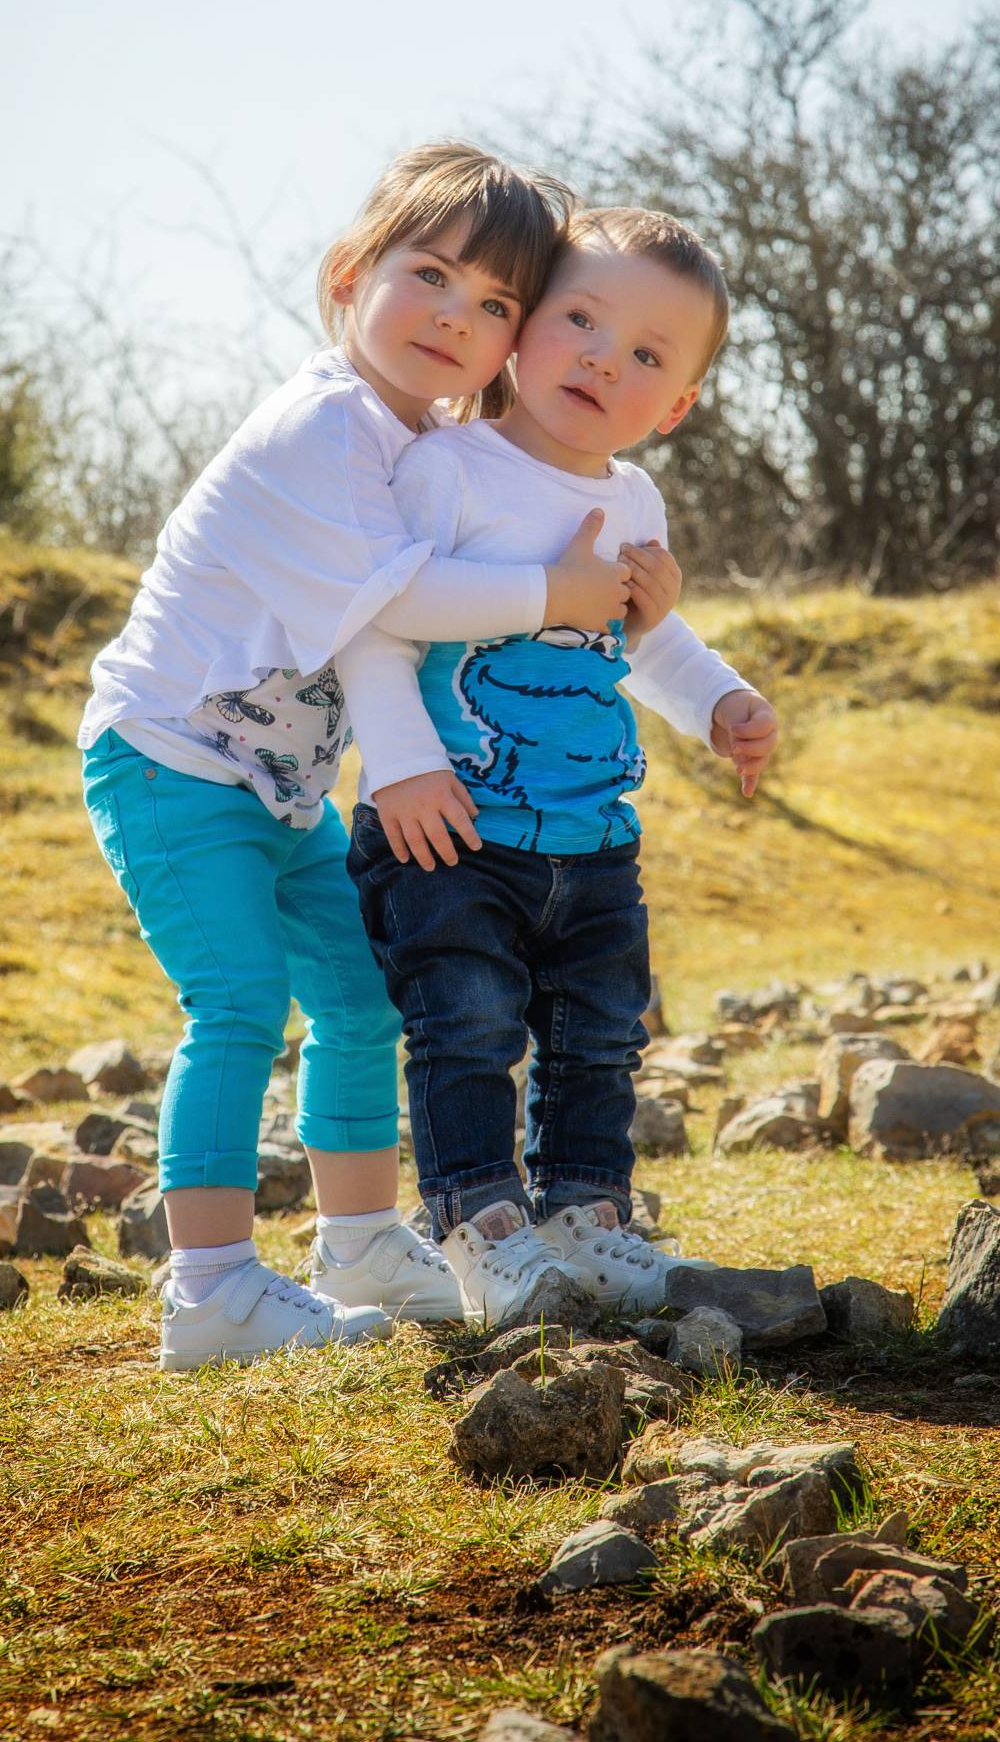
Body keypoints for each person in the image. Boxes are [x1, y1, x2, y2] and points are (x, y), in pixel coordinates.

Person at [78, 144, 633, 1368]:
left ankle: (363, 1240)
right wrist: (561, 587)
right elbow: (413, 597)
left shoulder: (413, 441)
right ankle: (211, 1287)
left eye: (495, 305)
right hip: (169, 756)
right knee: (235, 1002)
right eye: (430, 274)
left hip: (275, 784)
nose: (457, 315)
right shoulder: (320, 429)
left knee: (360, 991)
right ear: (348, 275)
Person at [339, 206, 780, 1325]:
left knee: (598, 1034)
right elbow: (375, 623)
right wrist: (395, 771)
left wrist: (718, 699)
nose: (599, 356)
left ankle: (586, 1218)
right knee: (469, 1025)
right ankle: (483, 1232)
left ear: (674, 407)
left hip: (590, 839)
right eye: (579, 318)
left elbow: (641, 641)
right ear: (524, 327)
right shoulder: (451, 472)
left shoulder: (633, 500)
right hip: (449, 828)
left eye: (644, 354)